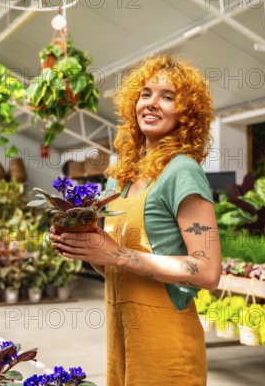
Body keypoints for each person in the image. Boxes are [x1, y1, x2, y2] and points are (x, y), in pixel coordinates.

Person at [50, 55, 222, 386]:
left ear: (187, 113)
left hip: (166, 343)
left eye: (168, 97)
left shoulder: (182, 171)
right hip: (122, 335)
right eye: (145, 94)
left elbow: (208, 270)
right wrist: (86, 248)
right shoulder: (120, 180)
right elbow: (116, 265)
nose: (152, 103)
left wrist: (116, 254)